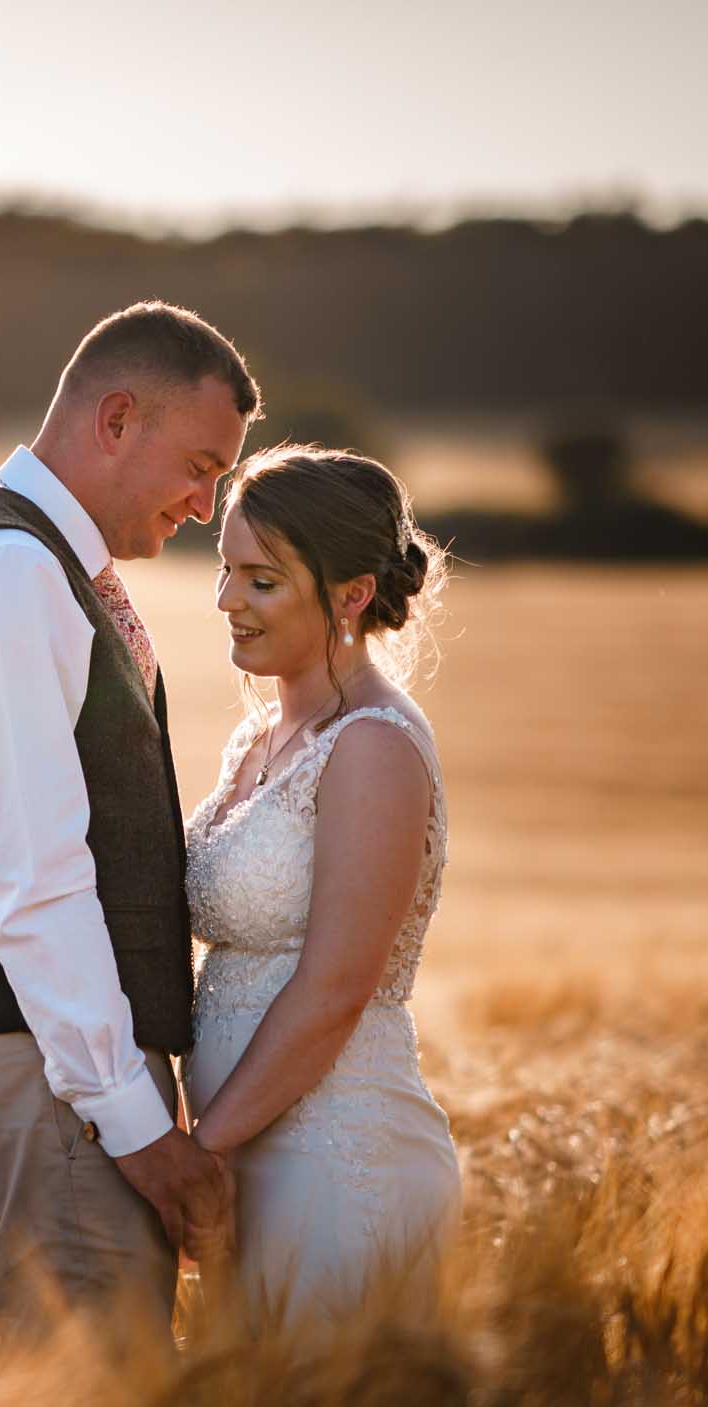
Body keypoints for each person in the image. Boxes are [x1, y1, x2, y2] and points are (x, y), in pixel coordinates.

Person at [0, 301, 259, 1362]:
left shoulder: (50, 567)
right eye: (198, 464)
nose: (204, 503)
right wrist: (138, 1129)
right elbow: (37, 876)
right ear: (114, 419)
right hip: (36, 1065)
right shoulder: (3, 569)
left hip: (60, 1065)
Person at [182, 443, 462, 1330]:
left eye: (260, 580)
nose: (226, 601)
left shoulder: (374, 746)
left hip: (334, 1160)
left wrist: (200, 1153)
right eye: (225, 570)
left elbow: (339, 985)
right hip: (241, 1156)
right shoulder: (256, 742)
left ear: (349, 595)